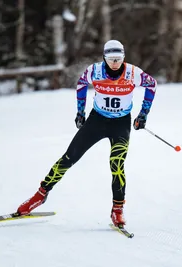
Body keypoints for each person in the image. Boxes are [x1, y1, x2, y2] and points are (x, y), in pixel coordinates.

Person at [16, 40, 157, 227]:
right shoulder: (95, 71)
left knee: (117, 165)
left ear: (123, 57)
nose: (115, 63)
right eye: (111, 59)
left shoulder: (133, 73)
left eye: (118, 59)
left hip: (120, 123)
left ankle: (117, 210)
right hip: (97, 121)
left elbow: (152, 85)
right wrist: (80, 112)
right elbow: (81, 83)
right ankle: (40, 195)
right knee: (69, 157)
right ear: (104, 58)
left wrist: (143, 114)